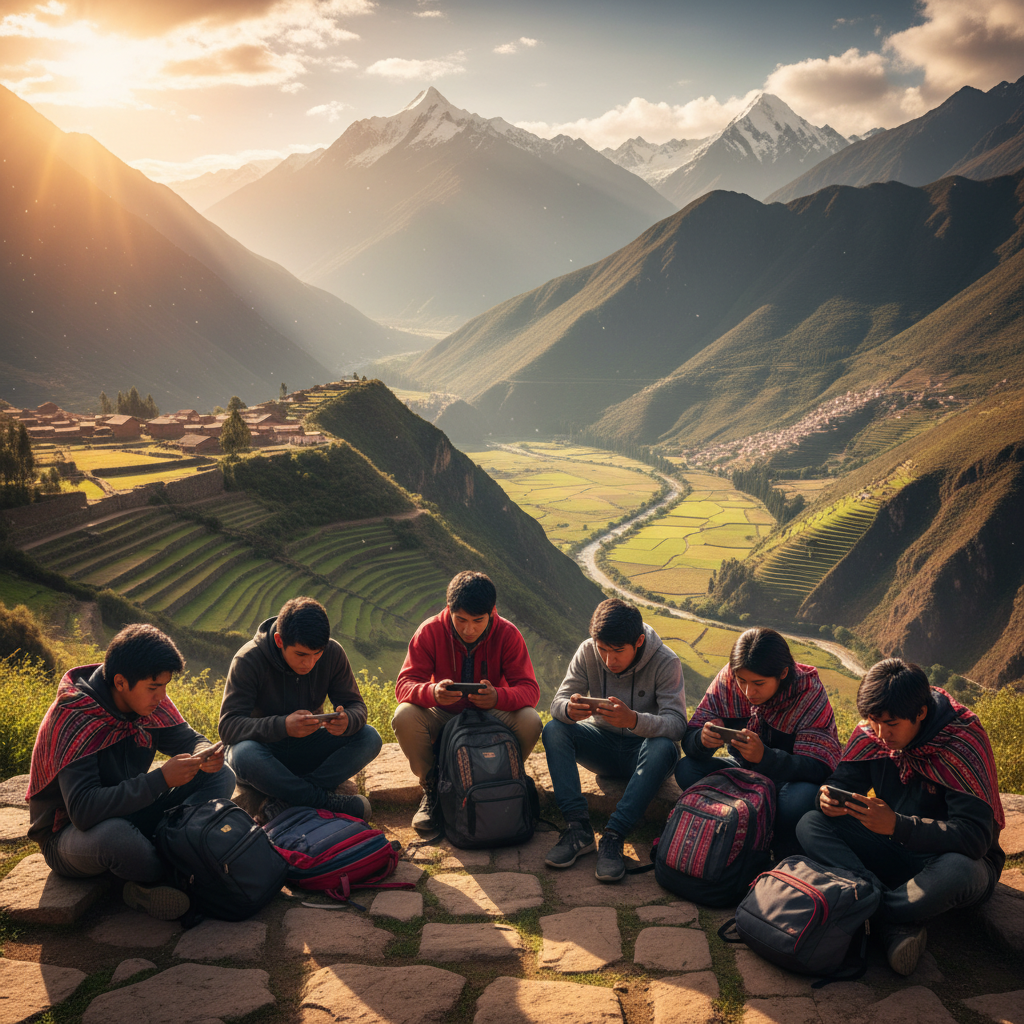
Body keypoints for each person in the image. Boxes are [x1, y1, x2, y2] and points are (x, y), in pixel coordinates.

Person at [797, 658, 1005, 976]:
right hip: (890, 846)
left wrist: (898, 825)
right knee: (811, 823)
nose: (881, 733)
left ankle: (869, 911)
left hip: (945, 860)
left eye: (891, 724)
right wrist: (827, 797)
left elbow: (976, 838)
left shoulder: (960, 741)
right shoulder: (873, 733)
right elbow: (841, 782)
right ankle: (894, 919)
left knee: (958, 871)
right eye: (874, 720)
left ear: (920, 713)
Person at [27, 624, 234, 920]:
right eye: (154, 688)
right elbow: (83, 811)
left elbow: (189, 738)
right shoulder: (75, 716)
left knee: (222, 774)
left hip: (133, 811)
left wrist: (205, 754)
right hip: (71, 836)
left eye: (165, 687)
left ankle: (167, 862)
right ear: (121, 682)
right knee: (118, 839)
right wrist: (161, 780)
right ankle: (177, 866)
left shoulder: (147, 700)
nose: (161, 697)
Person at [543, 598, 686, 882]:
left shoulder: (666, 662)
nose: (609, 660)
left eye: (618, 651)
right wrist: (569, 710)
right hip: (602, 747)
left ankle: (614, 835)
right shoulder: (587, 651)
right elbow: (557, 701)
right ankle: (578, 828)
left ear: (639, 641)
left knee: (662, 746)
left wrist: (634, 720)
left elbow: (678, 724)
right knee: (554, 729)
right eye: (603, 650)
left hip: (645, 752)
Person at [393, 570, 542, 839]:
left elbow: (530, 691)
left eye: (477, 621)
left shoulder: (508, 634)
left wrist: (498, 697)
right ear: (449, 608)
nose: (468, 629)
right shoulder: (430, 631)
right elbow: (404, 685)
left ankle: (499, 778)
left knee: (531, 720)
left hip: (490, 714)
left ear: (492, 612)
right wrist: (432, 693)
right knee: (404, 715)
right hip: (444, 712)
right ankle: (432, 789)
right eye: (460, 619)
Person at [676, 626, 840, 853]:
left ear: (782, 674)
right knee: (687, 769)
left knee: (801, 799)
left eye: (759, 683)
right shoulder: (730, 678)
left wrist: (766, 757)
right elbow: (692, 734)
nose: (748, 691)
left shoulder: (808, 693)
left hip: (784, 784)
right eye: (742, 680)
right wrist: (701, 740)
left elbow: (819, 767)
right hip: (742, 772)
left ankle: (767, 843)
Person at [219, 596, 381, 822]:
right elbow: (228, 727)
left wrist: (348, 720)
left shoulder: (333, 653)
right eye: (301, 655)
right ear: (279, 641)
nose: (310, 663)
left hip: (308, 748)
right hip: (265, 754)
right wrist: (283, 725)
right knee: (244, 754)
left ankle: (288, 800)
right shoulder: (248, 660)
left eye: (317, 654)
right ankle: (323, 801)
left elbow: (357, 707)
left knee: (369, 737)